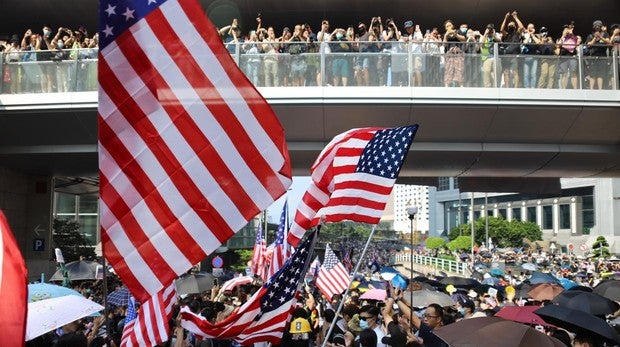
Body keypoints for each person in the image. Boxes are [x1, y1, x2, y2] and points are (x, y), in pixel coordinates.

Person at [585, 20, 611, 90]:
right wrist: (595, 38)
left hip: (603, 57)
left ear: (601, 26)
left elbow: (609, 43)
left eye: (599, 26)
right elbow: (588, 45)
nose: (597, 27)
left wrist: (601, 37)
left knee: (601, 74)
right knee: (593, 74)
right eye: (596, 26)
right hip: (593, 57)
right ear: (593, 27)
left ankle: (600, 90)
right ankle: (591, 89)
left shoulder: (605, 34)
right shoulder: (590, 35)